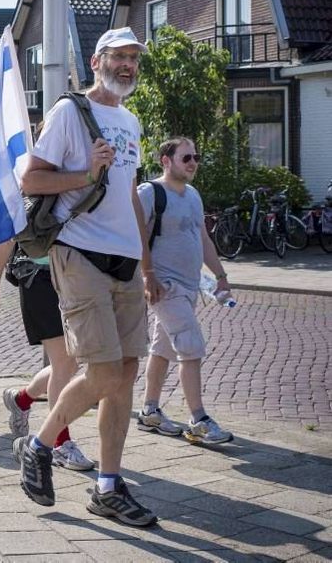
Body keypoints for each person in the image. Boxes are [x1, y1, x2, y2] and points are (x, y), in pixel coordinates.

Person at [13, 27, 161, 527]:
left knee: (123, 377)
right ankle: (38, 445)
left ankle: (108, 486)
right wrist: (86, 174)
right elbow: (31, 180)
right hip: (79, 253)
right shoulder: (69, 112)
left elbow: (130, 195)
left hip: (124, 260)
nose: (127, 66)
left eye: (133, 59)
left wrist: (147, 263)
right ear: (97, 60)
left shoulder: (132, 120)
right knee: (99, 371)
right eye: (118, 56)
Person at [136, 137, 234, 445]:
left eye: (196, 157)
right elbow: (134, 235)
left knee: (162, 348)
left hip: (190, 286)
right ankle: (199, 419)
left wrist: (220, 274)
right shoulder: (149, 193)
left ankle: (150, 410)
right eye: (186, 157)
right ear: (166, 161)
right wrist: (147, 275)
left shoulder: (193, 195)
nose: (193, 162)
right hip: (165, 286)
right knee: (191, 346)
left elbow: (203, 238)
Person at [0, 240, 94, 471]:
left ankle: (21, 399)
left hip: (70, 278)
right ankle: (60, 443)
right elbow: (7, 238)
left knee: (70, 363)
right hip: (38, 278)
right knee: (64, 362)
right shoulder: (27, 202)